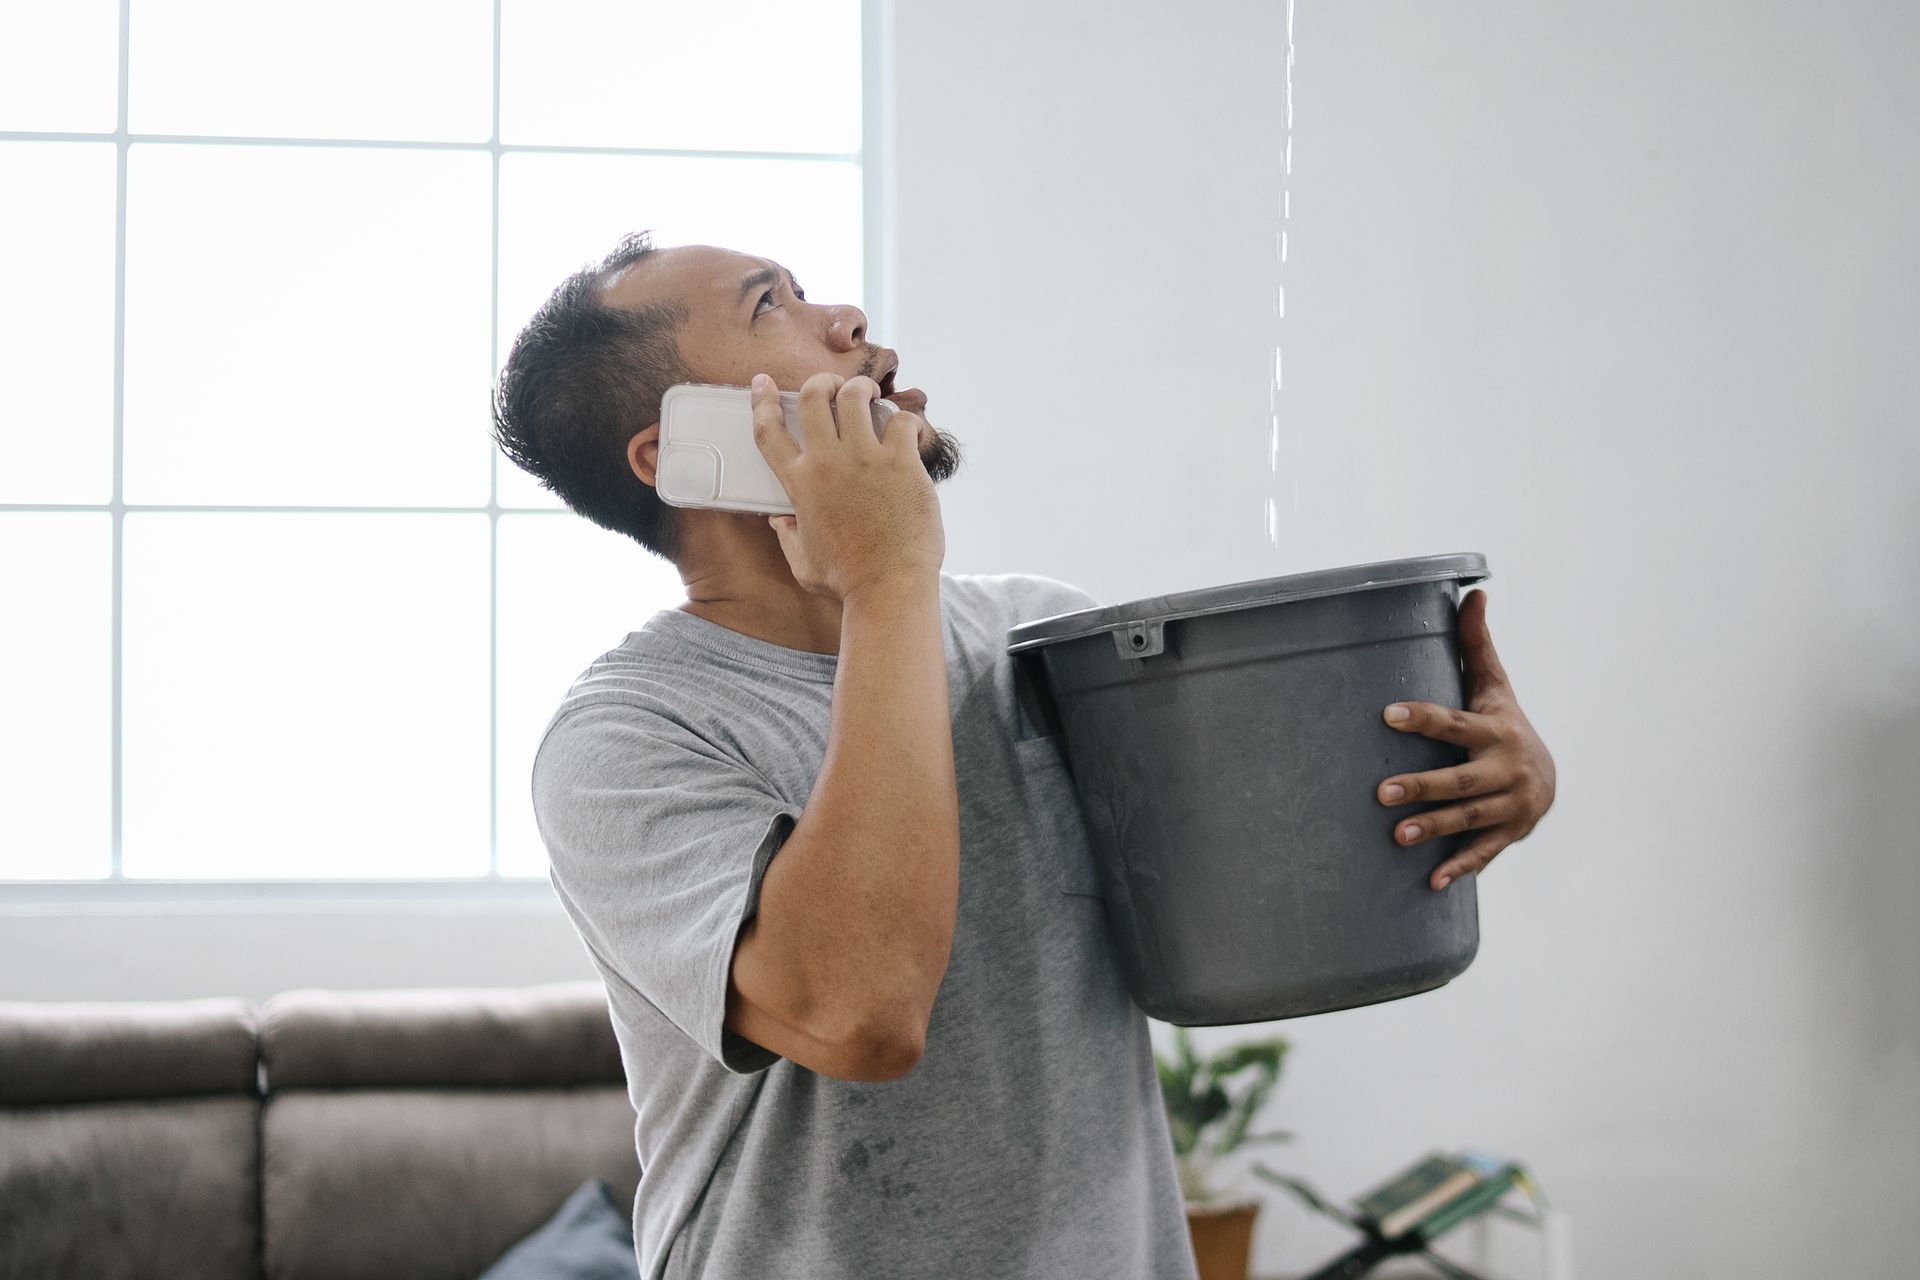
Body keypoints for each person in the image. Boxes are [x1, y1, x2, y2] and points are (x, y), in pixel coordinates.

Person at [489, 231, 1558, 1280]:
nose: (847, 319)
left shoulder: (1043, 637)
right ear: (677, 452)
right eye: (771, 306)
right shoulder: (621, 740)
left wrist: (1482, 783)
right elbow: (860, 1013)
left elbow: (1258, 895)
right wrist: (886, 579)